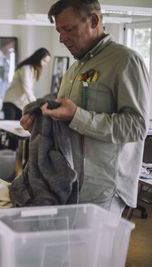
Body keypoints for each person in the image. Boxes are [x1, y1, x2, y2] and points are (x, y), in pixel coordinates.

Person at [20, 0, 150, 215]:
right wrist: (40, 123)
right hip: (69, 184)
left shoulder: (125, 61)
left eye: (68, 29)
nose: (61, 38)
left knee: (93, 249)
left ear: (93, 20)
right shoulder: (75, 69)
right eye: (59, 31)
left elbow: (136, 127)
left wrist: (77, 116)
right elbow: (65, 122)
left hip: (103, 190)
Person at [2, 48, 50, 151]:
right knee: (11, 131)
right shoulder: (26, 68)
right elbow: (26, 88)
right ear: (38, 58)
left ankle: (14, 155)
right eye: (44, 61)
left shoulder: (33, 70)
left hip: (19, 104)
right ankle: (9, 155)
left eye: (47, 62)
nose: (45, 64)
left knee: (19, 129)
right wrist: (36, 104)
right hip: (10, 102)